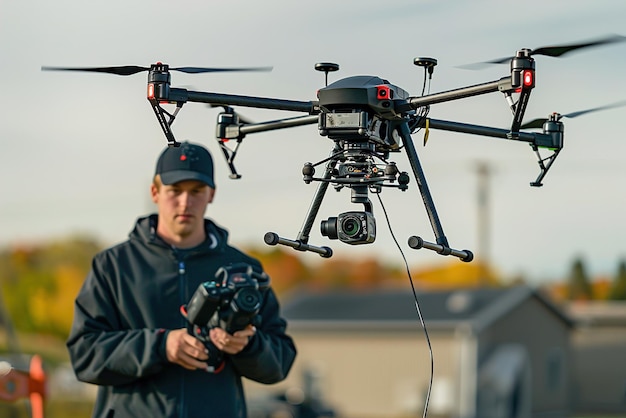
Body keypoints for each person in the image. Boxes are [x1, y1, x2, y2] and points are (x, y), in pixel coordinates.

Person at [66, 141, 297, 418]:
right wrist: (161, 346)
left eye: (196, 191)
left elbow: (280, 361)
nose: (185, 202)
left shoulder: (244, 269)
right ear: (155, 192)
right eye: (175, 190)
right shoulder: (113, 266)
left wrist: (248, 346)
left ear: (211, 194)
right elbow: (84, 355)